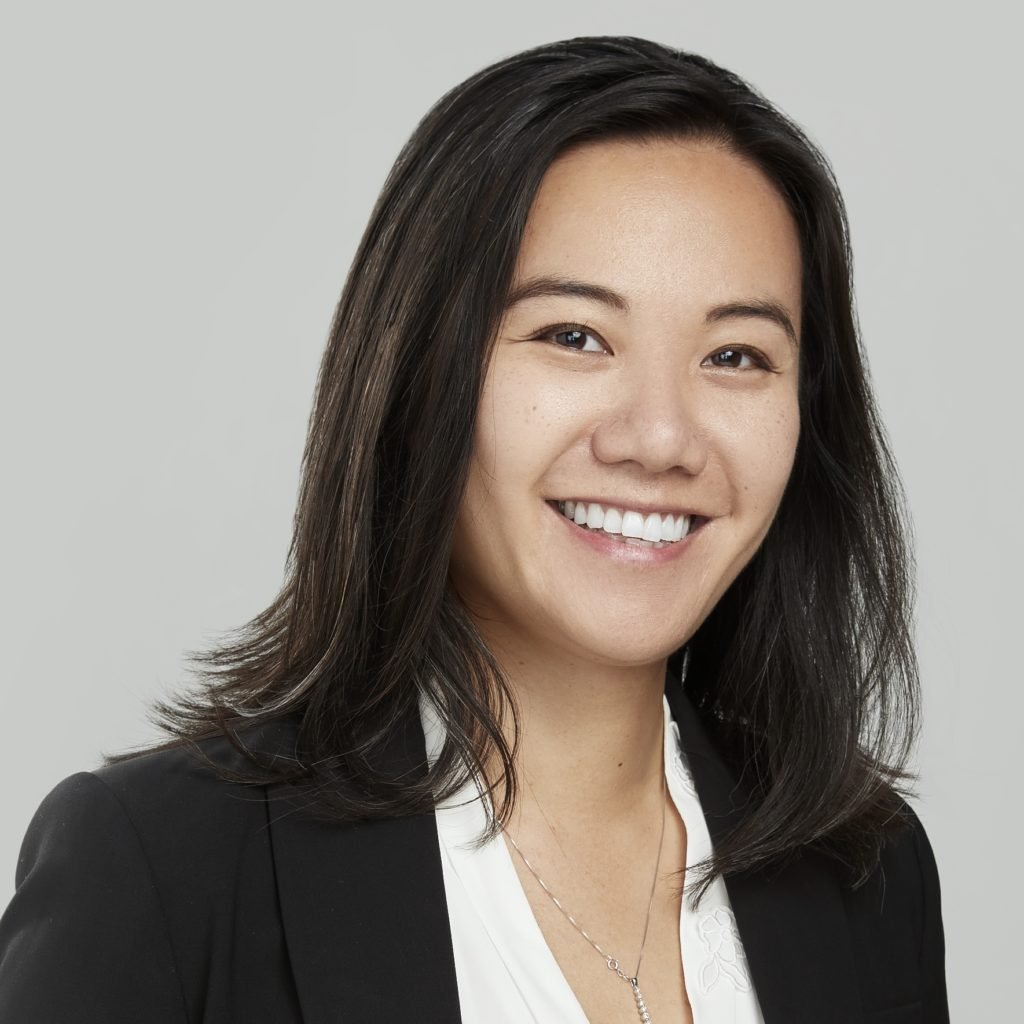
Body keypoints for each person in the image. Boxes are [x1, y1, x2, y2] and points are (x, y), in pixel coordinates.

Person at [0, 35, 948, 1023]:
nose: (660, 436)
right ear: (419, 377)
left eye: (738, 355)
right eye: (573, 336)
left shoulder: (864, 874)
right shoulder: (166, 868)